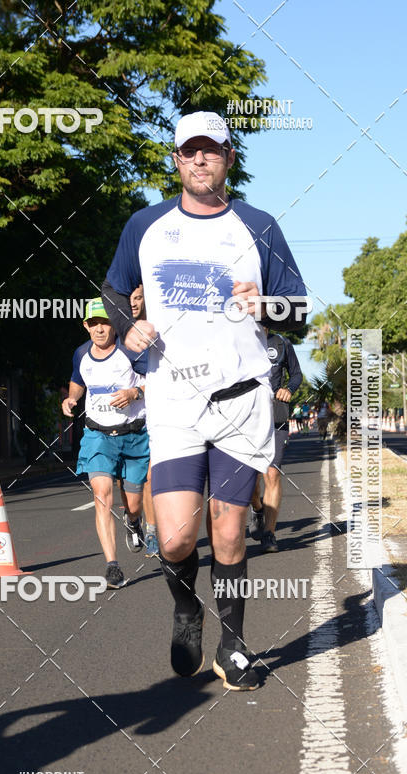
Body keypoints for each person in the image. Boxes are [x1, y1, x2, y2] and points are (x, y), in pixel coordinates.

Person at [102, 110, 308, 690]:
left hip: (242, 401)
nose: (200, 159)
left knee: (227, 532)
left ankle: (235, 645)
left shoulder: (260, 226)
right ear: (175, 160)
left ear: (228, 159)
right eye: (189, 151)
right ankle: (187, 605)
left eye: (211, 150)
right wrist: (126, 328)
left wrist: (267, 304)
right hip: (172, 400)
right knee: (174, 538)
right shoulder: (144, 225)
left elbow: (301, 311)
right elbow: (114, 290)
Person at [62, 298, 150, 588]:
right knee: (102, 496)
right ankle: (112, 566)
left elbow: (159, 379)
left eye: (105, 322)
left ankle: (133, 521)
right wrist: (73, 397)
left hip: (134, 435)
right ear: (86, 326)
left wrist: (135, 392)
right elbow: (78, 379)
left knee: (133, 503)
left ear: (115, 324)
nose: (100, 329)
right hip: (98, 435)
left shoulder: (131, 349)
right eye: (94, 323)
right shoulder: (81, 354)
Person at [249, 329, 303, 552]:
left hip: (276, 416)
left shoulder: (281, 342)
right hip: (246, 418)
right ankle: (257, 507)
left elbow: (297, 374)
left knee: (272, 473)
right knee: (250, 479)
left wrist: (288, 388)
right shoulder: (236, 337)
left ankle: (269, 533)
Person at [124, 284, 160, 558]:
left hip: (160, 417)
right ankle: (133, 518)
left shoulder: (160, 329)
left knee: (150, 478)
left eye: (138, 298)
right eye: (129, 299)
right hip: (128, 421)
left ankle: (152, 532)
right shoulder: (120, 337)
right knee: (129, 484)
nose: (134, 303)